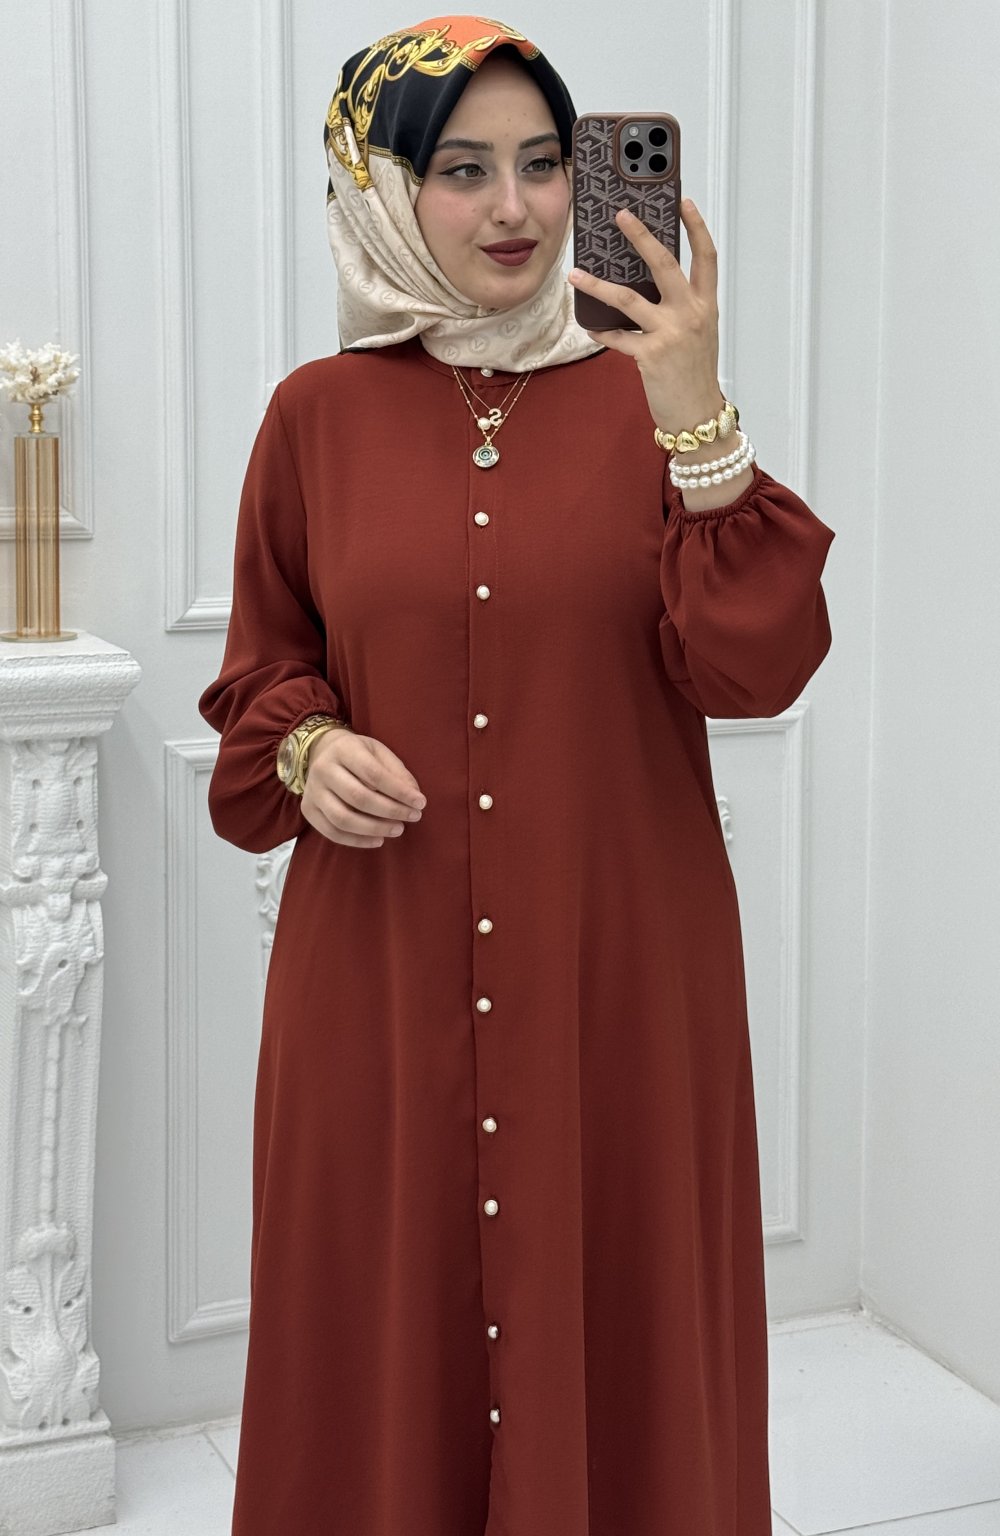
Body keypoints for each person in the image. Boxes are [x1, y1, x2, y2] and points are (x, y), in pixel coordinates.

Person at [198, 15, 834, 1536]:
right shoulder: (314, 417)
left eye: (545, 165)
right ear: (382, 190)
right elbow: (260, 677)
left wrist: (698, 418)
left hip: (619, 971)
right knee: (384, 1321)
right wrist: (310, 746)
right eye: (463, 168)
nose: (516, 209)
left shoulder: (651, 401)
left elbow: (758, 666)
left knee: (618, 1310)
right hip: (380, 975)